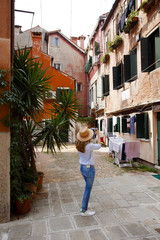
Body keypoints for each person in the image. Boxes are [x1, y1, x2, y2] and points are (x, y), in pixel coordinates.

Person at [76, 126, 101, 216]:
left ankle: (84, 206)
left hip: (82, 168)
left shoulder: (78, 145)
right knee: (88, 189)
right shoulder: (89, 146)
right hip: (89, 168)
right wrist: (98, 134)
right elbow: (99, 145)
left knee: (87, 188)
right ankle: (84, 210)